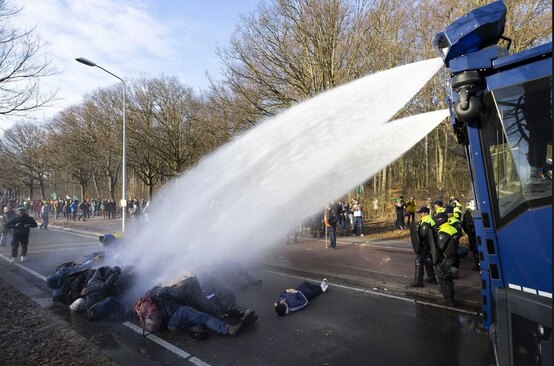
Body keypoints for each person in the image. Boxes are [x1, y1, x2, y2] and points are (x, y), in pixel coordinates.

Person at [145, 283, 255, 337]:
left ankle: (195, 330)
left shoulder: (150, 297)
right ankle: (228, 329)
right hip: (178, 312)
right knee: (204, 317)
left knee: (196, 317)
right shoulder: (163, 289)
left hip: (170, 324)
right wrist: (178, 286)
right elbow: (180, 295)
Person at [432, 212, 458, 306]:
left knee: (444, 277)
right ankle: (449, 298)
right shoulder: (452, 228)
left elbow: (440, 246)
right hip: (453, 255)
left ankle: (449, 300)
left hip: (446, 257)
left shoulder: (444, 231)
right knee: (448, 277)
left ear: (441, 220)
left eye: (437, 219)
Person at [409, 207, 437, 287]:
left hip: (426, 244)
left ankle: (418, 282)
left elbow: (422, 234)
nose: (420, 214)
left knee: (418, 260)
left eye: (421, 213)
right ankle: (431, 278)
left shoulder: (427, 221)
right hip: (429, 244)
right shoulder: (428, 220)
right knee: (427, 260)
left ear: (426, 213)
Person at [462, 200, 480, 271]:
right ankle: (478, 265)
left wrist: (469, 233)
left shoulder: (466, 214)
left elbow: (464, 225)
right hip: (476, 234)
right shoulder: (475, 212)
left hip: (472, 235)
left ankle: (477, 265)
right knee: (477, 250)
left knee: (475, 250)